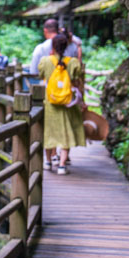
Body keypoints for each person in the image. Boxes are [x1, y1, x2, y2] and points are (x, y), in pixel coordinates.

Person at [38, 33, 86, 174]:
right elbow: (77, 81)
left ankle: (47, 162)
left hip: (50, 104)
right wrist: (82, 101)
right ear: (67, 46)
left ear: (52, 46)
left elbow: (41, 75)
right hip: (67, 104)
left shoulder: (45, 61)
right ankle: (62, 166)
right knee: (66, 133)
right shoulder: (72, 62)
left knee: (49, 132)